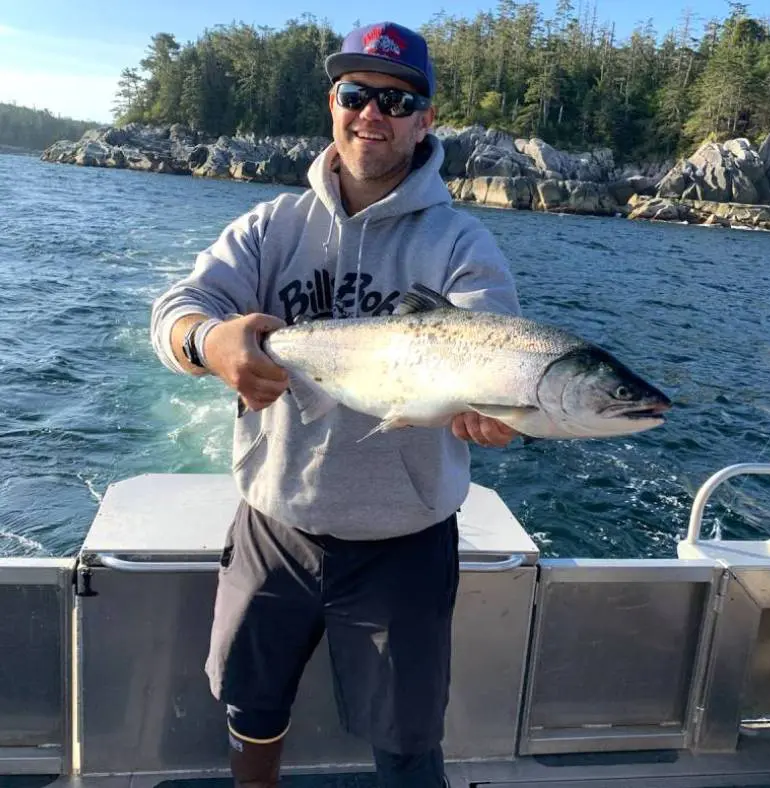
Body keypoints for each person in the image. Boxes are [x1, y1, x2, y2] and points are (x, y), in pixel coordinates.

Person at [150, 20, 521, 788]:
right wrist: (209, 343)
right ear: (333, 104)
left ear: (425, 121)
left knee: (409, 742)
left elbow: (494, 340)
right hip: (273, 526)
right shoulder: (269, 227)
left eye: (396, 98)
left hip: (405, 542)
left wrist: (492, 408)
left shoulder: (462, 244)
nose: (372, 114)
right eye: (357, 94)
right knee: (250, 709)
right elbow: (180, 309)